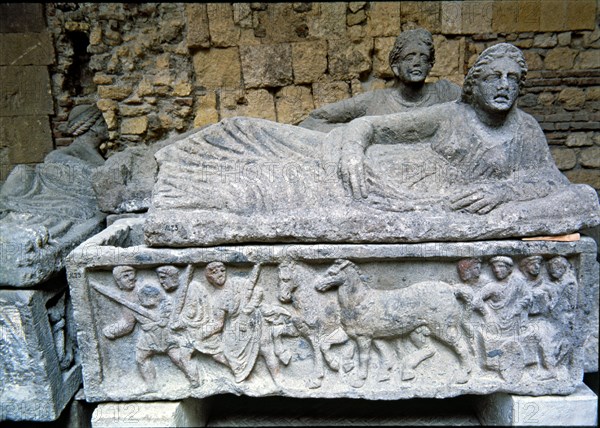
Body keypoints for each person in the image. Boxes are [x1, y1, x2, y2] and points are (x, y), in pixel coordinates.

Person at [149, 43, 599, 244]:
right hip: (376, 170)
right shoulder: (452, 113)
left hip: (415, 203)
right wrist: (349, 153)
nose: (504, 86)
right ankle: (188, 161)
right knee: (263, 135)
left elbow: (559, 187)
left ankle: (189, 189)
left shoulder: (527, 131)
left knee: (283, 185)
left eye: (513, 79)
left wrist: (503, 193)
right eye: (494, 77)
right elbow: (368, 129)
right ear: (474, 84)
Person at [299, 28, 461, 132]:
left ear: (430, 65)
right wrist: (355, 131)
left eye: (423, 57)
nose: (417, 63)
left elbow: (478, 112)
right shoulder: (374, 101)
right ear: (396, 66)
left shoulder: (445, 93)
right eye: (409, 57)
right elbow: (314, 120)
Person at [178, 262, 263, 383]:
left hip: (251, 320)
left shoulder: (237, 283)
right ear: (209, 279)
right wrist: (202, 332)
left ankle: (241, 370)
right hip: (233, 325)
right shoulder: (217, 299)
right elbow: (218, 324)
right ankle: (241, 371)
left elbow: (259, 290)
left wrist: (247, 311)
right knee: (218, 347)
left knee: (227, 347)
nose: (219, 274)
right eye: (214, 272)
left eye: (222, 270)